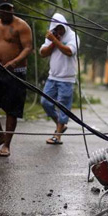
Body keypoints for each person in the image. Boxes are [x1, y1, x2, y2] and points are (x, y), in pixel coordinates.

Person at [0, 0, 32, 157]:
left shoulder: (21, 26)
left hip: (15, 73)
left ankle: (7, 145)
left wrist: (15, 62)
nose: (6, 11)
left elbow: (27, 48)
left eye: (8, 8)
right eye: (3, 8)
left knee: (12, 110)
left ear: (12, 9)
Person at [39, 13, 79, 145]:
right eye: (56, 29)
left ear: (65, 27)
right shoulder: (53, 36)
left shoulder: (73, 36)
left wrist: (55, 40)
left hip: (67, 79)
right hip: (53, 76)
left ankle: (57, 136)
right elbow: (42, 53)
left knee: (63, 106)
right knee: (45, 102)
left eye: (61, 28)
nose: (59, 31)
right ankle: (59, 125)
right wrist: (53, 41)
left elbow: (69, 52)